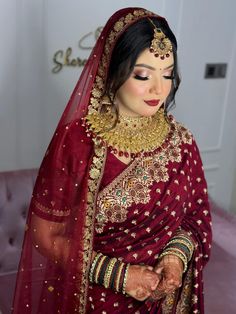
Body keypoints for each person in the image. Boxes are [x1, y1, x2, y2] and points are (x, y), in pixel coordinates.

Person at [12, 7, 212, 314]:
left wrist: (174, 257)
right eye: (143, 75)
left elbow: (195, 216)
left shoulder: (181, 142)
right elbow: (44, 234)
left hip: (166, 302)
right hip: (97, 301)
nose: (159, 89)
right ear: (112, 69)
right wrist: (119, 275)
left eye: (168, 73)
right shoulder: (78, 141)